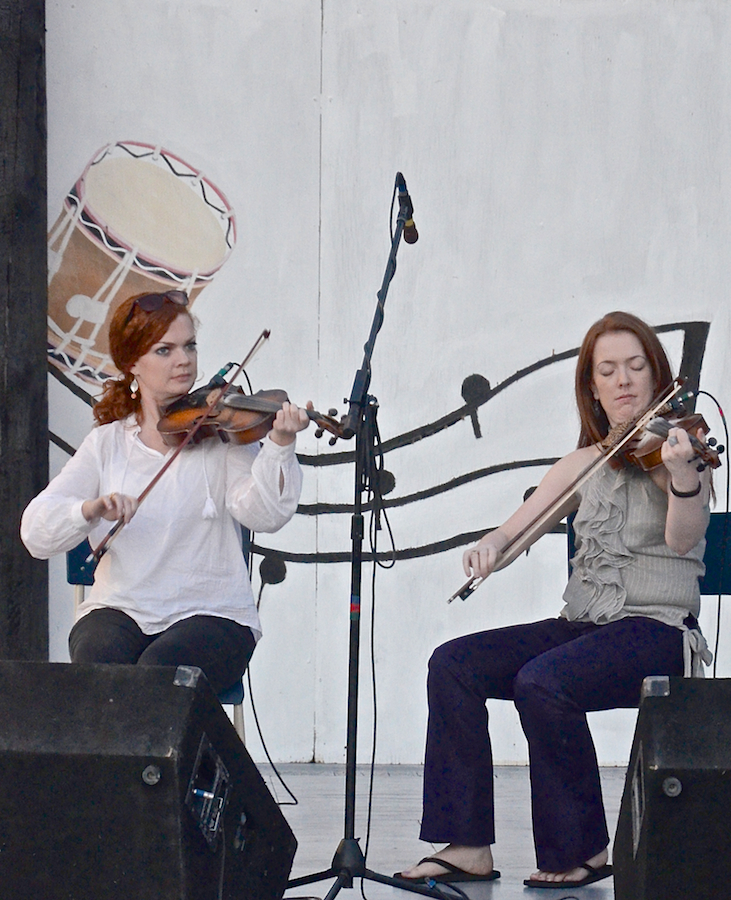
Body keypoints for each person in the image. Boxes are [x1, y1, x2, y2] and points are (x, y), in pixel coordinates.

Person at [396, 311, 713, 889]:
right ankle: (466, 846)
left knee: (542, 680)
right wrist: (490, 547)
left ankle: (582, 850)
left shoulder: (678, 452)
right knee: (454, 664)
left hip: (658, 632)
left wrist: (682, 473)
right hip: (586, 627)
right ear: (592, 387)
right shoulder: (581, 463)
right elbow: (517, 530)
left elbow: (684, 537)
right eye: (608, 370)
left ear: (656, 375)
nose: (623, 381)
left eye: (637, 367)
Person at [22, 290, 311, 695]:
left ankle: (182, 762)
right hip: (120, 609)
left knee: (159, 673)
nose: (184, 360)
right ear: (132, 364)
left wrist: (279, 445)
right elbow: (36, 533)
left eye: (189, 346)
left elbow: (265, 515)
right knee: (99, 662)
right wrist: (90, 509)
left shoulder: (223, 434)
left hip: (214, 615)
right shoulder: (107, 444)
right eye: (165, 350)